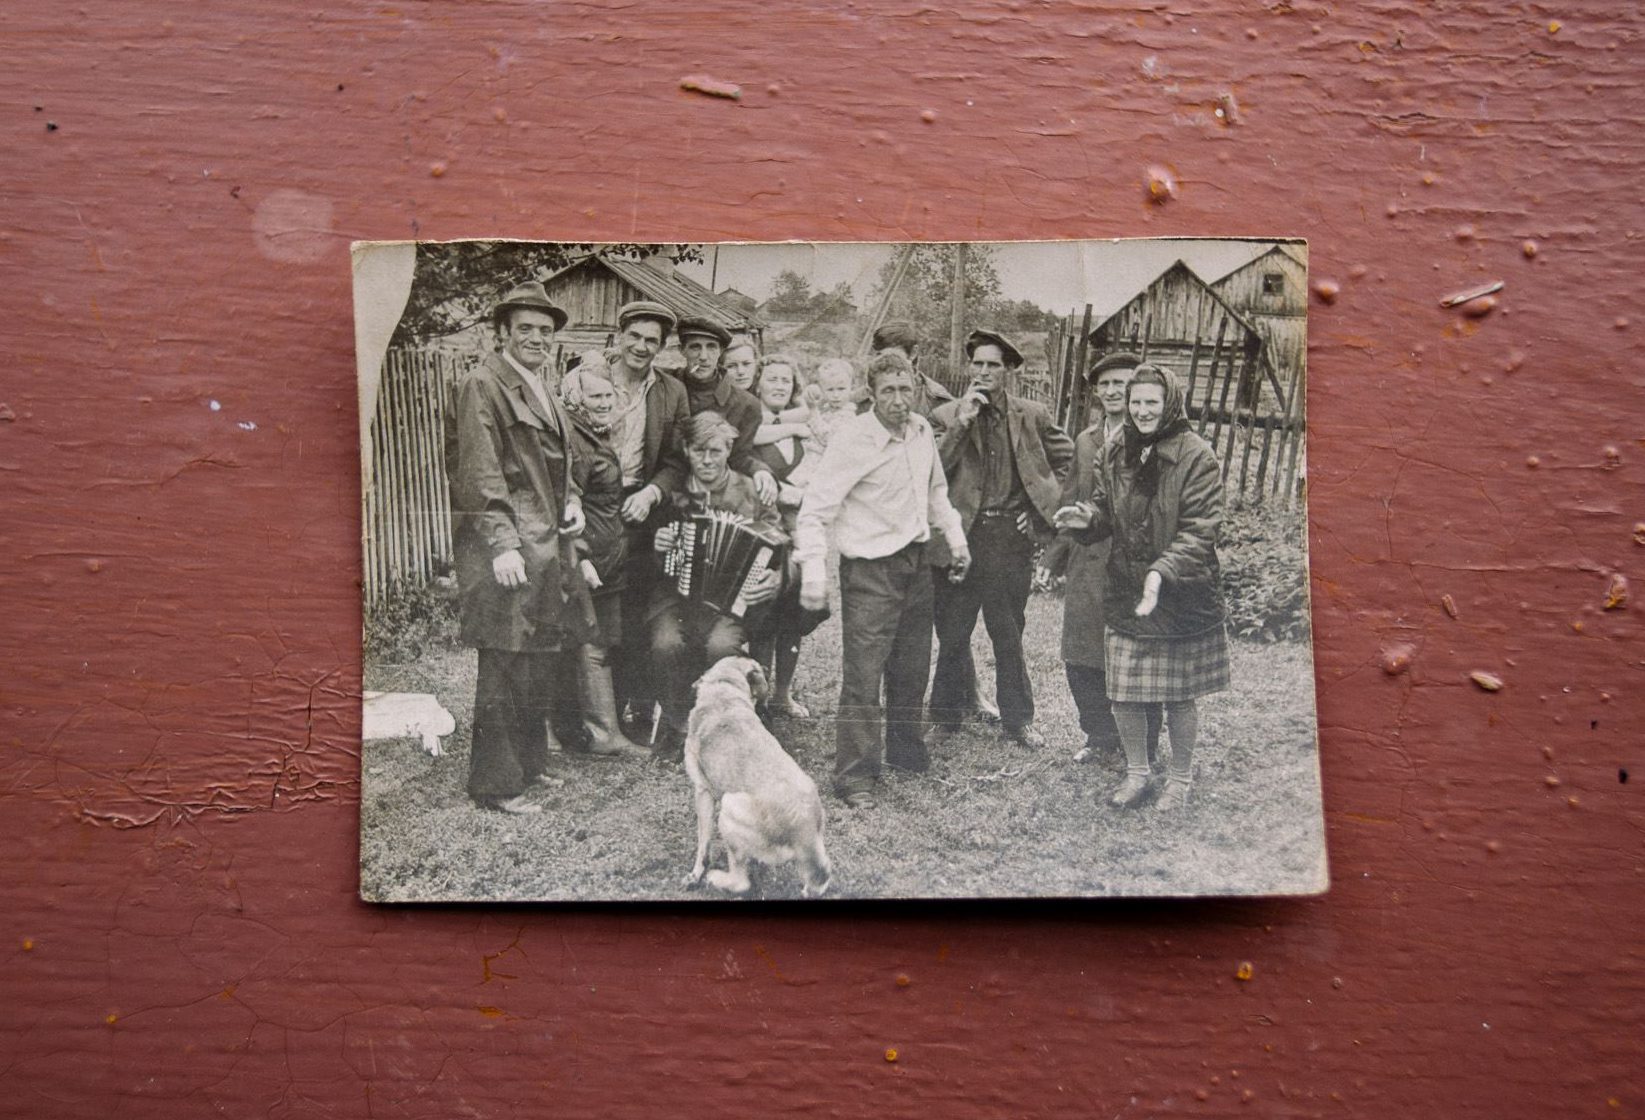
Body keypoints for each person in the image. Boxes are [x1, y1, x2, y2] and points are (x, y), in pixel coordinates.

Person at [796, 351, 970, 809]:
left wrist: (956, 540)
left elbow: (936, 492)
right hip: (868, 571)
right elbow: (814, 510)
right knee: (864, 674)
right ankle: (855, 775)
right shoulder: (852, 438)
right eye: (888, 391)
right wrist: (813, 573)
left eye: (905, 389)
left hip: (916, 564)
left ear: (916, 389)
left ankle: (906, 751)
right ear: (871, 394)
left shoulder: (921, 431)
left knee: (912, 667)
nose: (898, 400)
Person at [1053, 365, 1232, 811]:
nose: (1143, 411)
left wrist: (1160, 572)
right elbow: (1106, 510)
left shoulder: (1197, 456)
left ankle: (1180, 779)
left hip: (1181, 593)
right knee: (1124, 691)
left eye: (1152, 402)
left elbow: (1200, 530)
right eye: (1136, 402)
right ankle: (1138, 773)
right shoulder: (1117, 450)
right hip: (1128, 591)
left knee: (1178, 696)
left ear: (1170, 404)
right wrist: (1086, 520)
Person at [446, 281, 587, 814]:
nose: (536, 338)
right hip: (504, 547)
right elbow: (479, 473)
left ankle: (530, 763)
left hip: (544, 543)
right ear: (503, 332)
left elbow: (560, 461)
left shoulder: (541, 385)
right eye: (524, 328)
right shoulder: (482, 384)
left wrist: (572, 498)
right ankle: (497, 784)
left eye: (544, 330)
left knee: (537, 657)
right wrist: (502, 545)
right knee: (504, 660)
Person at [929, 329, 1074, 749]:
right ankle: (944, 717)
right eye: (977, 363)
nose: (984, 371)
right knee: (953, 633)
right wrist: (962, 423)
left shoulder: (1032, 414)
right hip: (961, 538)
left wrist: (1039, 511)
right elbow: (932, 469)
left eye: (993, 364)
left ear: (1009, 370)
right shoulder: (947, 415)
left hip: (1009, 538)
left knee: (1008, 633)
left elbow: (1069, 465)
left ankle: (1018, 720)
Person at [869, 321, 999, 726]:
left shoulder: (942, 400)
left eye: (900, 358)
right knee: (891, 616)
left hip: (935, 516)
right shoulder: (868, 399)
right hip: (890, 520)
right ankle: (889, 696)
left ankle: (969, 692)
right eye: (883, 358)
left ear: (916, 358)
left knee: (949, 615)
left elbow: (946, 464)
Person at [1038, 353, 1163, 765]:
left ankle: (1142, 744)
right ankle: (1098, 736)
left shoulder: (1153, 440)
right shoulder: (1085, 440)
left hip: (1132, 564)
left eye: (1120, 383)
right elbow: (1071, 499)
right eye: (1104, 384)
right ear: (1095, 392)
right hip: (1087, 561)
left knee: (1135, 654)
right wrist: (1054, 556)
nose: (1112, 391)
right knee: (1082, 654)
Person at [648, 411, 783, 762]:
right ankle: (680, 726)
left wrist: (776, 577)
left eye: (716, 451)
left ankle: (734, 722)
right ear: (686, 450)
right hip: (676, 598)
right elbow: (650, 553)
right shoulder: (671, 491)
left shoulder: (751, 490)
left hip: (732, 602)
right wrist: (658, 545)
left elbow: (781, 546)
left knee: (721, 646)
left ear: (729, 450)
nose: (707, 460)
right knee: (665, 644)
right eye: (698, 451)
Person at [603, 301, 692, 734]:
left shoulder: (672, 392)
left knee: (634, 608)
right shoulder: (591, 378)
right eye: (634, 336)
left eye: (651, 341)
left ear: (661, 346)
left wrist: (652, 492)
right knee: (592, 608)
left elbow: (677, 459)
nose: (641, 347)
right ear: (620, 336)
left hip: (642, 508)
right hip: (593, 507)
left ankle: (634, 707)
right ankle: (586, 714)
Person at [561, 360, 649, 758]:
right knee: (590, 642)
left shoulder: (598, 434)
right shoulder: (576, 442)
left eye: (607, 395)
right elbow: (567, 503)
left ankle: (597, 728)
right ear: (575, 400)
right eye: (593, 396)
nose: (602, 403)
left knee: (600, 641)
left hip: (608, 555)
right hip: (590, 557)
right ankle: (602, 734)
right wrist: (579, 557)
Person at [746, 355, 828, 717]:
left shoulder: (805, 428)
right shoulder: (750, 423)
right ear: (758, 384)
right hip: (763, 531)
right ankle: (761, 694)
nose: (779, 386)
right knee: (765, 614)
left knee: (794, 614)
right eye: (772, 379)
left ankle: (783, 693)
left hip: (800, 531)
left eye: (786, 380)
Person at [671, 317, 779, 507]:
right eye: (695, 347)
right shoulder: (666, 386)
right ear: (682, 350)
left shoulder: (746, 404)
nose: (703, 356)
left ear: (720, 352)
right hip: (665, 488)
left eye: (711, 347)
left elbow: (738, 455)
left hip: (712, 494)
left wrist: (760, 470)